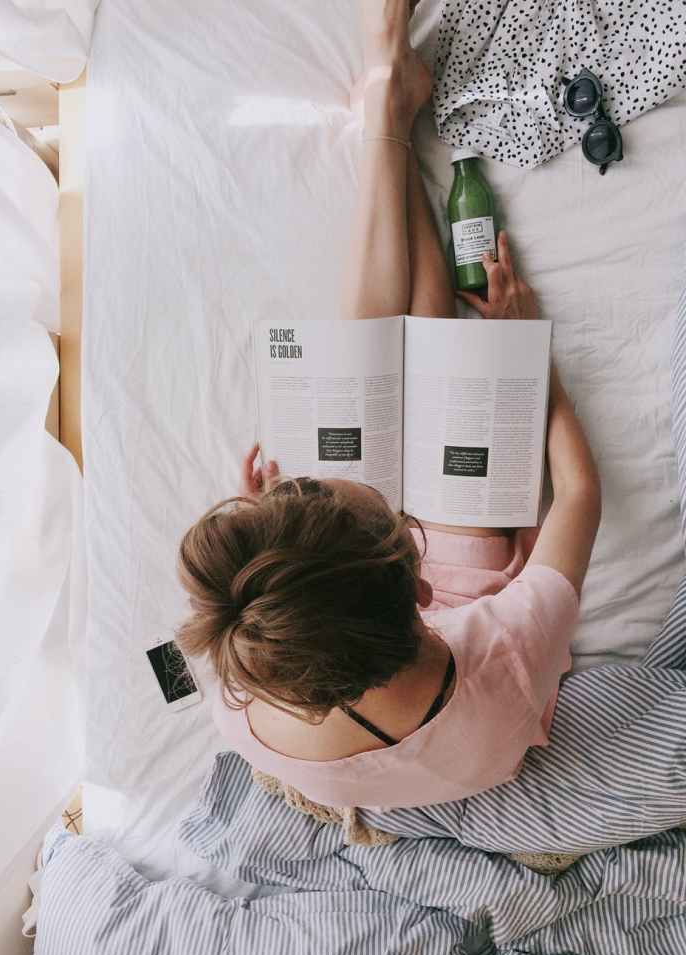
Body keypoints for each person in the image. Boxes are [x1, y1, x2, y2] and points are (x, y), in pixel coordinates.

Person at [175, 0, 601, 810]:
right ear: (416, 585)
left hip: (336, 624)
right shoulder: (501, 658)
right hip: (455, 641)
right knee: (442, 389)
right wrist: (528, 359)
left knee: (356, 382)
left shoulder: (239, 682)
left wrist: (275, 544)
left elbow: (207, 641)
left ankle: (388, 112)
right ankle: (389, 108)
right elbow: (579, 493)